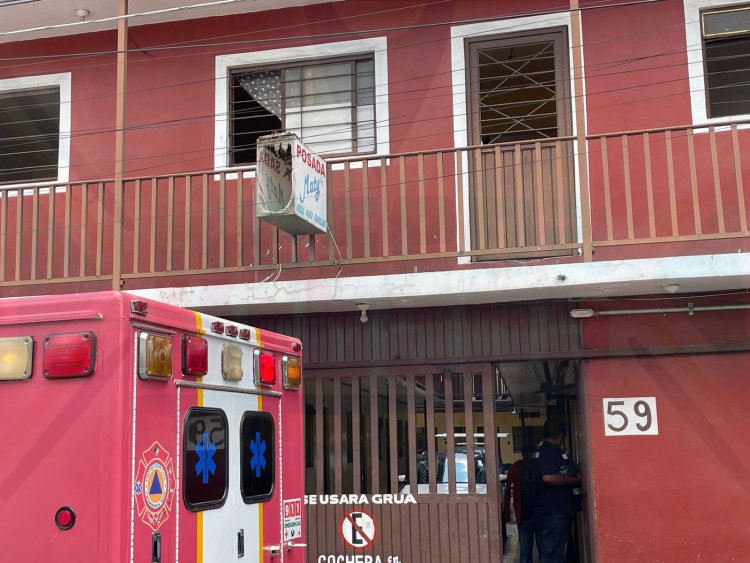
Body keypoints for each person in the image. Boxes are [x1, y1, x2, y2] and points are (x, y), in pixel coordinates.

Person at [533, 420, 582, 563]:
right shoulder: (550, 451)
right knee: (553, 554)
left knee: (552, 551)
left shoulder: (542, 449)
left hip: (550, 510)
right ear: (561, 435)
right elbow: (548, 477)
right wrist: (576, 480)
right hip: (555, 511)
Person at [503, 443, 538, 563]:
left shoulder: (516, 467)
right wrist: (507, 514)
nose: (529, 455)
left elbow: (508, 491)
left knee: (526, 549)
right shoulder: (537, 466)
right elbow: (507, 492)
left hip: (528, 514)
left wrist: (507, 515)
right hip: (533, 514)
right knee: (539, 548)